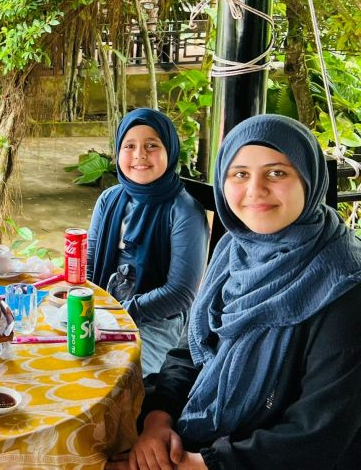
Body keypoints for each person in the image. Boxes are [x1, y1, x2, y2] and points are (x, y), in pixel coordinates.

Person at [113, 114, 361, 470]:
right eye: (240, 174)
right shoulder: (235, 247)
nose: (255, 189)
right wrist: (158, 421)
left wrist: (199, 463)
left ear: (309, 178)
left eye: (277, 173)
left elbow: (321, 433)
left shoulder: (344, 285)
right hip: (198, 431)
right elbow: (190, 351)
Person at [87, 108, 209, 375]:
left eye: (152, 145)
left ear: (171, 150)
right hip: (101, 310)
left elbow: (180, 293)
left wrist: (120, 314)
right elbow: (90, 263)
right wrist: (85, 306)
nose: (140, 154)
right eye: (129, 145)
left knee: (117, 376)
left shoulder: (184, 211)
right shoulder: (109, 200)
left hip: (157, 321)